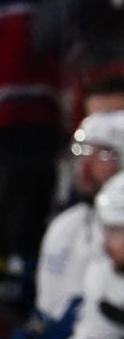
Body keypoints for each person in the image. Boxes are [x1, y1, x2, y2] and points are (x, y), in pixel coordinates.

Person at [0, 170, 124, 339]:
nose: (104, 243)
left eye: (116, 231)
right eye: (106, 229)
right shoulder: (100, 274)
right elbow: (78, 337)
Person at [35, 103, 124, 324]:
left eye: (103, 154)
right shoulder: (65, 226)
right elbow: (46, 310)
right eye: (83, 150)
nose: (85, 165)